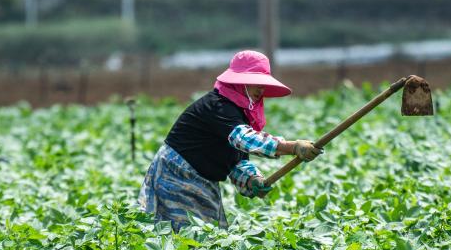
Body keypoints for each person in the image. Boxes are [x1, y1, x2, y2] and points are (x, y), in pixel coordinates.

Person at [138, 50, 322, 229]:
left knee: (208, 233)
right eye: (255, 83)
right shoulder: (218, 106)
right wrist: (292, 147)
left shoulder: (239, 115)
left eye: (262, 84)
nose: (261, 89)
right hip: (176, 174)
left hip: (201, 179)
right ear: (239, 83)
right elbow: (244, 139)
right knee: (189, 234)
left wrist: (252, 179)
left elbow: (236, 161)